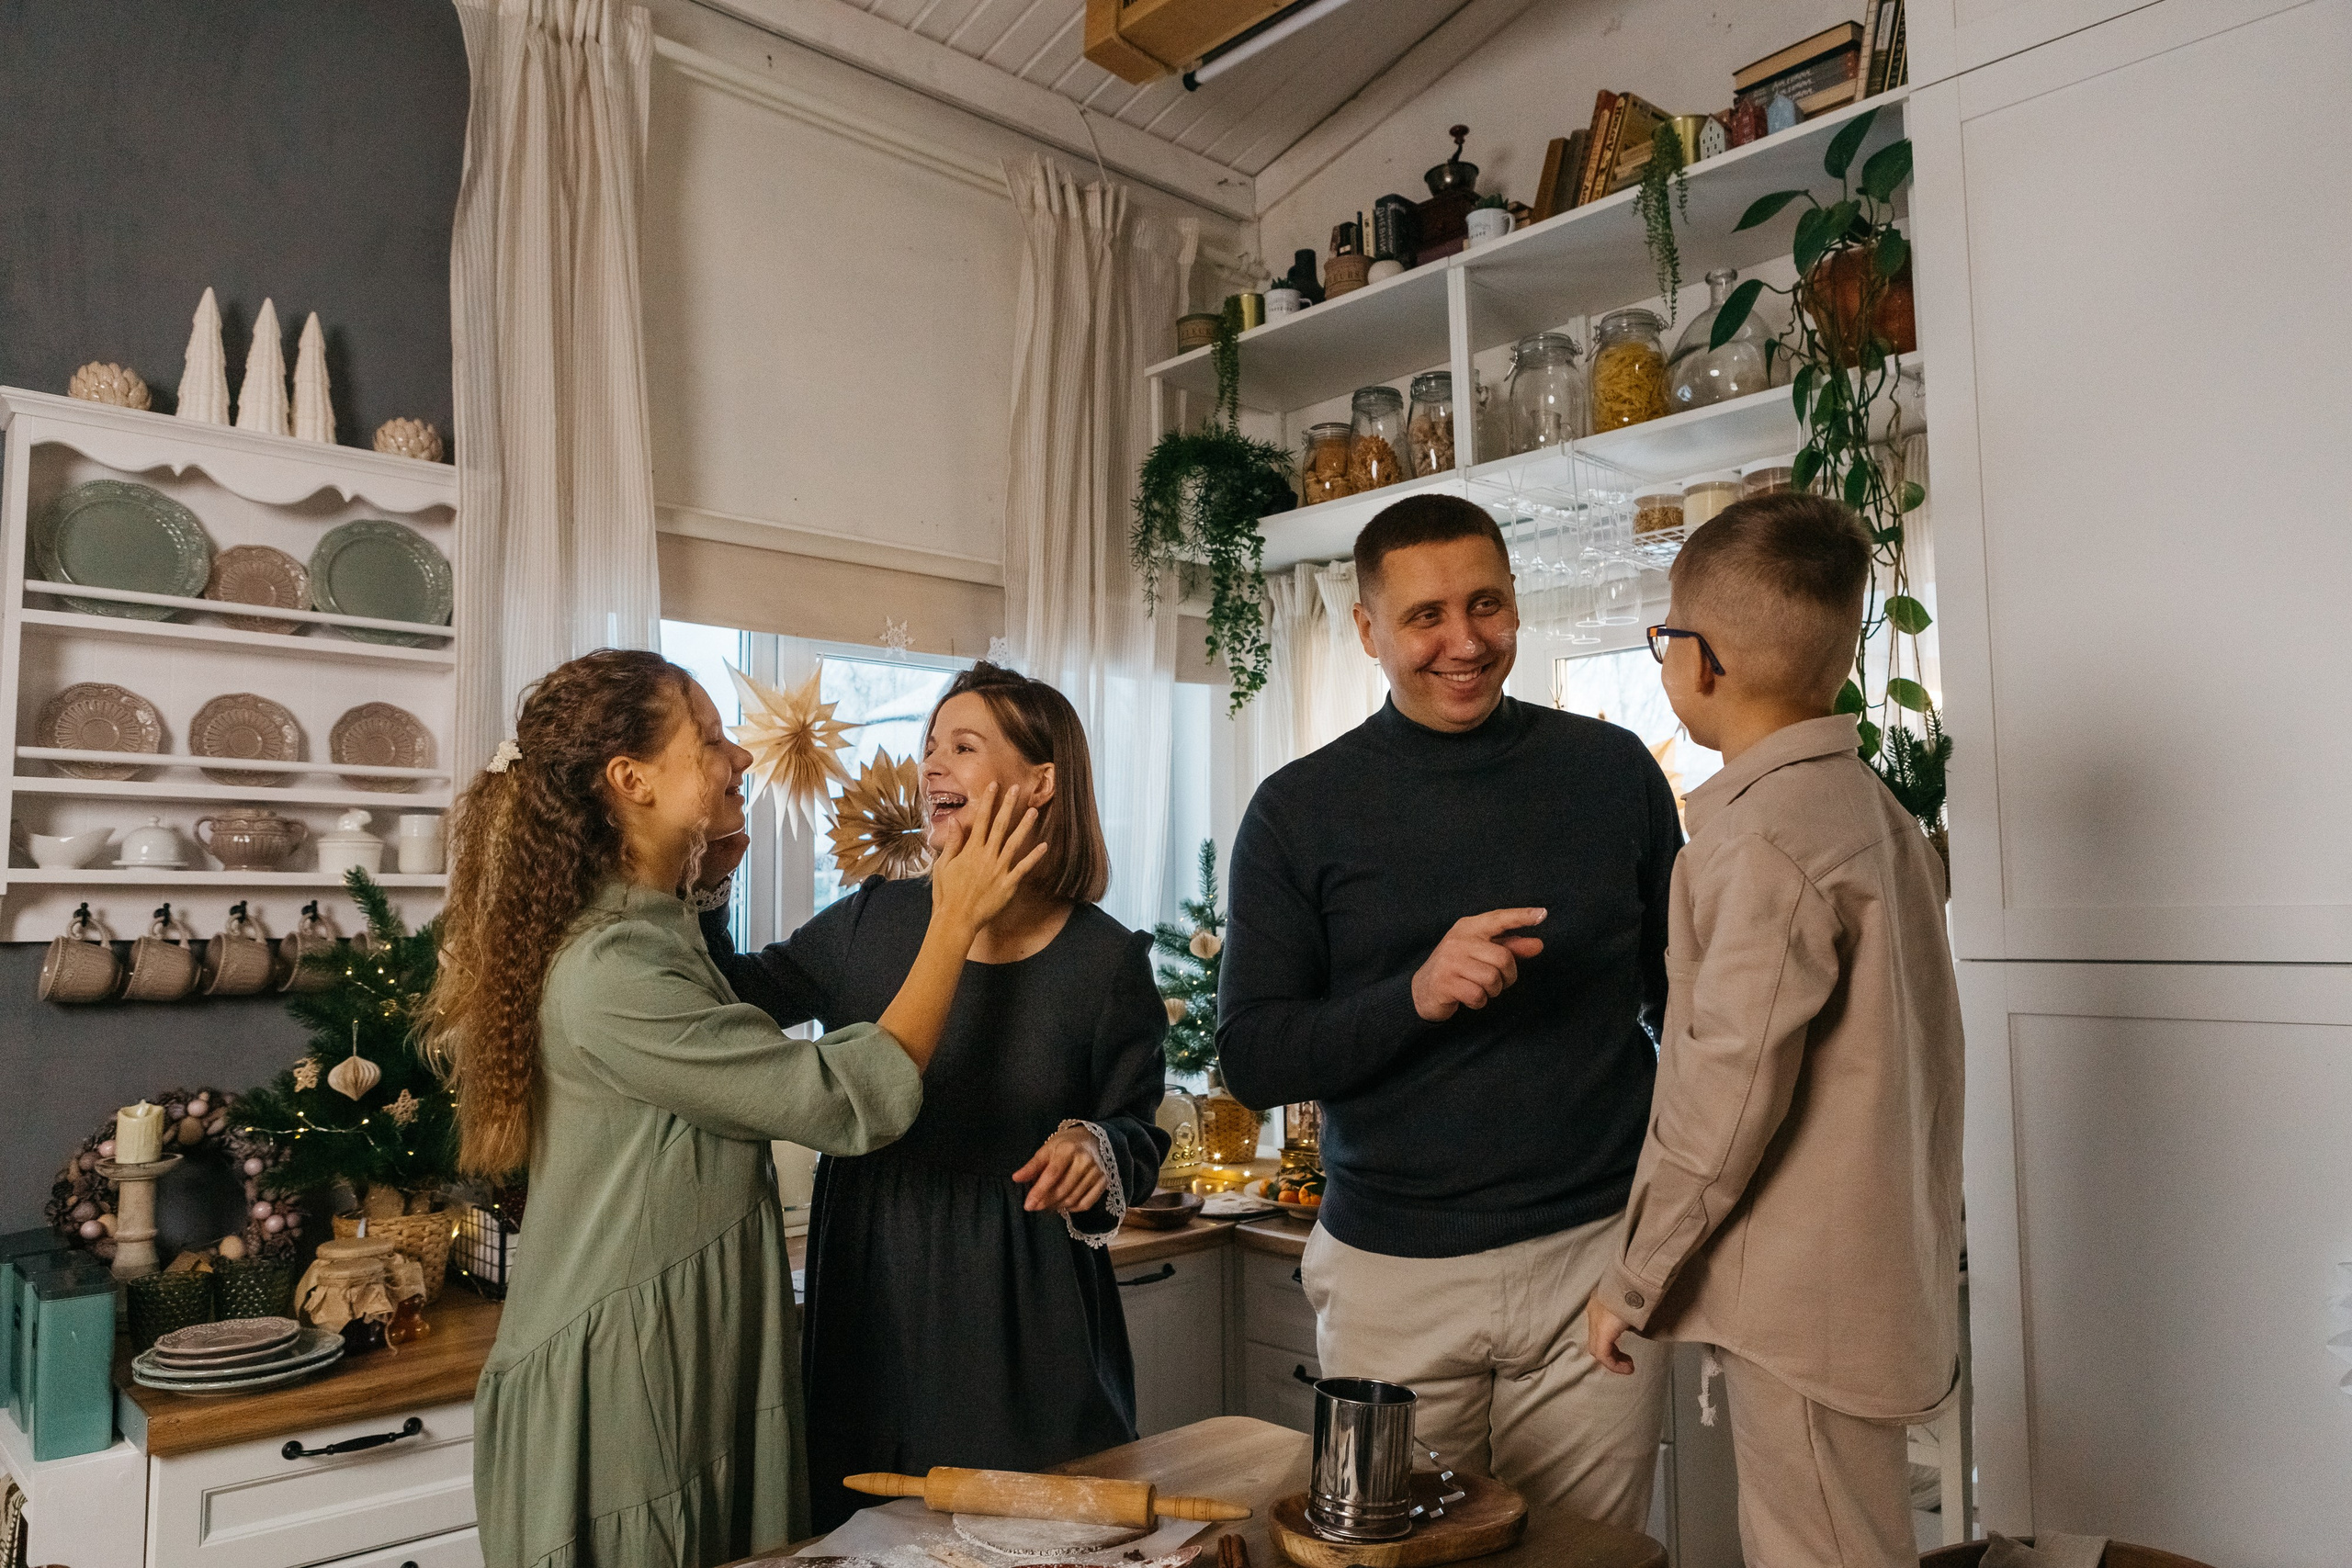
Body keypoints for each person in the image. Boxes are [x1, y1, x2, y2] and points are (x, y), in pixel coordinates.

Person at [429, 649, 1046, 1568]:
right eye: (710, 740)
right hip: (625, 1385)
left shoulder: (641, 933)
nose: (740, 759)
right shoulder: (609, 970)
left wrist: (707, 878)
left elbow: (718, 1023)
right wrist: (951, 922)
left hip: (672, 1357)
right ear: (630, 780)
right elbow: (838, 1099)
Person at [1217, 494, 1680, 1526]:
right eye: (1426, 616)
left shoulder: (1611, 775)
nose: (1463, 642)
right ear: (1369, 631)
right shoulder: (1299, 811)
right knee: (1389, 1557)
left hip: (1594, 1258)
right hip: (1392, 1282)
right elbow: (1252, 1057)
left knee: (1584, 1561)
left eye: (1487, 605)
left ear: (1516, 604)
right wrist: (1414, 996)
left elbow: (1685, 1007)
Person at [692, 661, 1170, 1532]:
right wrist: (709, 880)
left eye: (962, 744)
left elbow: (1138, 1131)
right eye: (927, 746)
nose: (931, 765)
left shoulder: (1107, 963)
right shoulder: (870, 921)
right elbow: (725, 1001)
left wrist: (1094, 1149)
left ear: (1040, 782)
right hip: (869, 1304)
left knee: (1032, 1542)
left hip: (1024, 1323)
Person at [1585, 493, 1964, 1568]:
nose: (1664, 661)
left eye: (1663, 637)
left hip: (1808, 1304)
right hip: (1865, 1279)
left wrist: (1631, 1278)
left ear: (1700, 659)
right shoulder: (1871, 810)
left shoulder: (1760, 843)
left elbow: (1725, 1092)